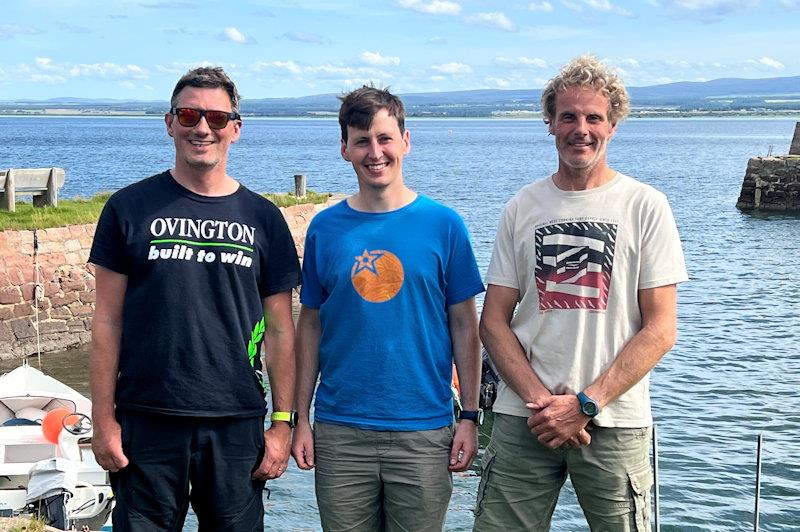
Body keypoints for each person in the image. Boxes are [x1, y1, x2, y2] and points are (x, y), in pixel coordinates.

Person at [473, 55, 689, 531]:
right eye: (568, 116)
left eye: (593, 117)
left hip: (615, 419)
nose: (581, 128)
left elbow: (661, 327)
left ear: (613, 125)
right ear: (550, 123)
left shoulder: (645, 206)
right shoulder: (522, 207)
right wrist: (543, 406)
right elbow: (493, 321)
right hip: (523, 418)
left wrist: (584, 405)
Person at [89, 66, 301, 531]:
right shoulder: (128, 208)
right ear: (170, 123)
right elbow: (106, 322)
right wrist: (102, 419)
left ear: (235, 129)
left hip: (237, 420)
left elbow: (282, 330)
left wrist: (283, 424)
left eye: (216, 118)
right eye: (189, 115)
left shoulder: (263, 218)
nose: (202, 128)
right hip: (146, 418)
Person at [291, 85, 485, 532]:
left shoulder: (444, 225)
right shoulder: (325, 228)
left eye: (384, 138)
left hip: (424, 429)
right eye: (361, 141)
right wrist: (301, 420)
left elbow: (464, 326)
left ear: (405, 141)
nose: (374, 152)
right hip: (340, 431)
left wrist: (470, 417)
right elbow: (311, 327)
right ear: (345, 149)